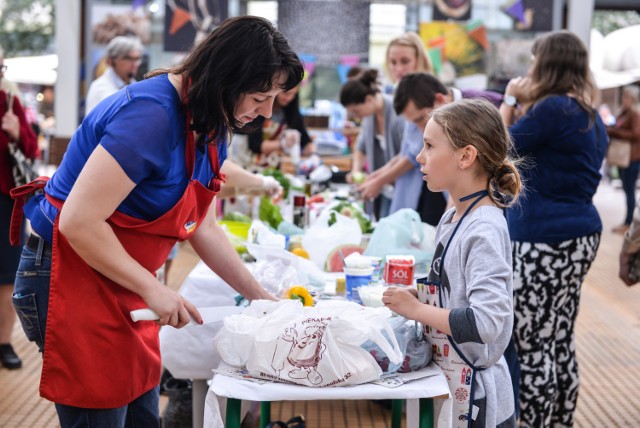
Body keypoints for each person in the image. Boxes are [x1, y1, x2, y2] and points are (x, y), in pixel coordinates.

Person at [9, 16, 302, 426]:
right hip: (71, 275)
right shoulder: (150, 116)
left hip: (124, 279)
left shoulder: (212, 120)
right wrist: (153, 287)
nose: (267, 113)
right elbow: (78, 222)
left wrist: (262, 299)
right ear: (225, 79)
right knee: (99, 411)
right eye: (258, 97)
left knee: (142, 414)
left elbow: (203, 225)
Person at [382, 98, 521, 427]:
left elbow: (486, 322)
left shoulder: (483, 228)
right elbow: (455, 294)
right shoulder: (453, 217)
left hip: (477, 400)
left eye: (429, 145)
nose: (419, 156)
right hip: (448, 382)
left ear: (466, 156)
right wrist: (419, 298)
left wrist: (417, 311)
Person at [499, 30, 607, 427]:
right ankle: (560, 420)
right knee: (558, 337)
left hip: (543, 238)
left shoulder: (553, 109)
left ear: (546, 64)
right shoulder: (587, 112)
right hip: (579, 234)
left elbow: (498, 149)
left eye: (533, 60)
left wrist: (510, 101)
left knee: (530, 344)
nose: (528, 69)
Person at [0, 45, 38, 370]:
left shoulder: (9, 100)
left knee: (7, 275)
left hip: (4, 200)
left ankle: (3, 341)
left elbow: (30, 147)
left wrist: (15, 131)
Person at [340, 68, 404, 219]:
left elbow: (407, 157)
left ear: (369, 99)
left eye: (356, 110)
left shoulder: (398, 113)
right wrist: (356, 172)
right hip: (385, 186)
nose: (356, 116)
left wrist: (378, 180)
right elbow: (360, 147)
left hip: (401, 186)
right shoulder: (369, 117)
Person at [246, 83, 315, 162]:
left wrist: (313, 155)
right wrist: (283, 144)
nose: (289, 98)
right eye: (286, 94)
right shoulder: (260, 111)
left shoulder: (292, 112)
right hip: (252, 161)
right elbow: (254, 144)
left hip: (275, 163)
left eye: (293, 94)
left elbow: (305, 140)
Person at [607, 85, 640, 234]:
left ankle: (628, 223)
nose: (623, 99)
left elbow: (636, 134)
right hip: (624, 158)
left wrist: (614, 132)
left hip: (632, 158)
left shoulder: (635, 115)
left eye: (626, 97)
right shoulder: (624, 113)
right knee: (627, 190)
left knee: (630, 192)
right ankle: (627, 222)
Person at [85, 36, 144, 114]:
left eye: (137, 59)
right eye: (128, 59)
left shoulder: (134, 84)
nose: (135, 64)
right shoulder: (100, 88)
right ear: (111, 60)